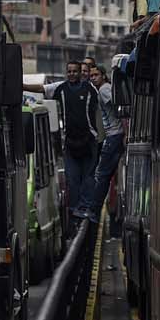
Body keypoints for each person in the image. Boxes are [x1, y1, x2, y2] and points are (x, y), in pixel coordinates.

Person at [44, 60, 103, 222]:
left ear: (80, 73)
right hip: (70, 142)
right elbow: (45, 93)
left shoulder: (89, 89)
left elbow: (96, 112)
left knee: (88, 177)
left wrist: (96, 136)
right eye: (69, 71)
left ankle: (86, 207)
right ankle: (74, 210)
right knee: (72, 178)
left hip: (89, 140)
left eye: (74, 71)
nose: (71, 74)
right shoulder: (60, 90)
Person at [79, 65, 124, 222]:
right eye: (91, 75)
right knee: (104, 174)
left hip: (114, 136)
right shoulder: (104, 89)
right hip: (115, 136)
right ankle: (94, 209)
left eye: (96, 74)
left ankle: (93, 210)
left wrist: (124, 132)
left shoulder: (105, 89)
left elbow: (121, 108)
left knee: (101, 174)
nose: (92, 78)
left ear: (103, 76)